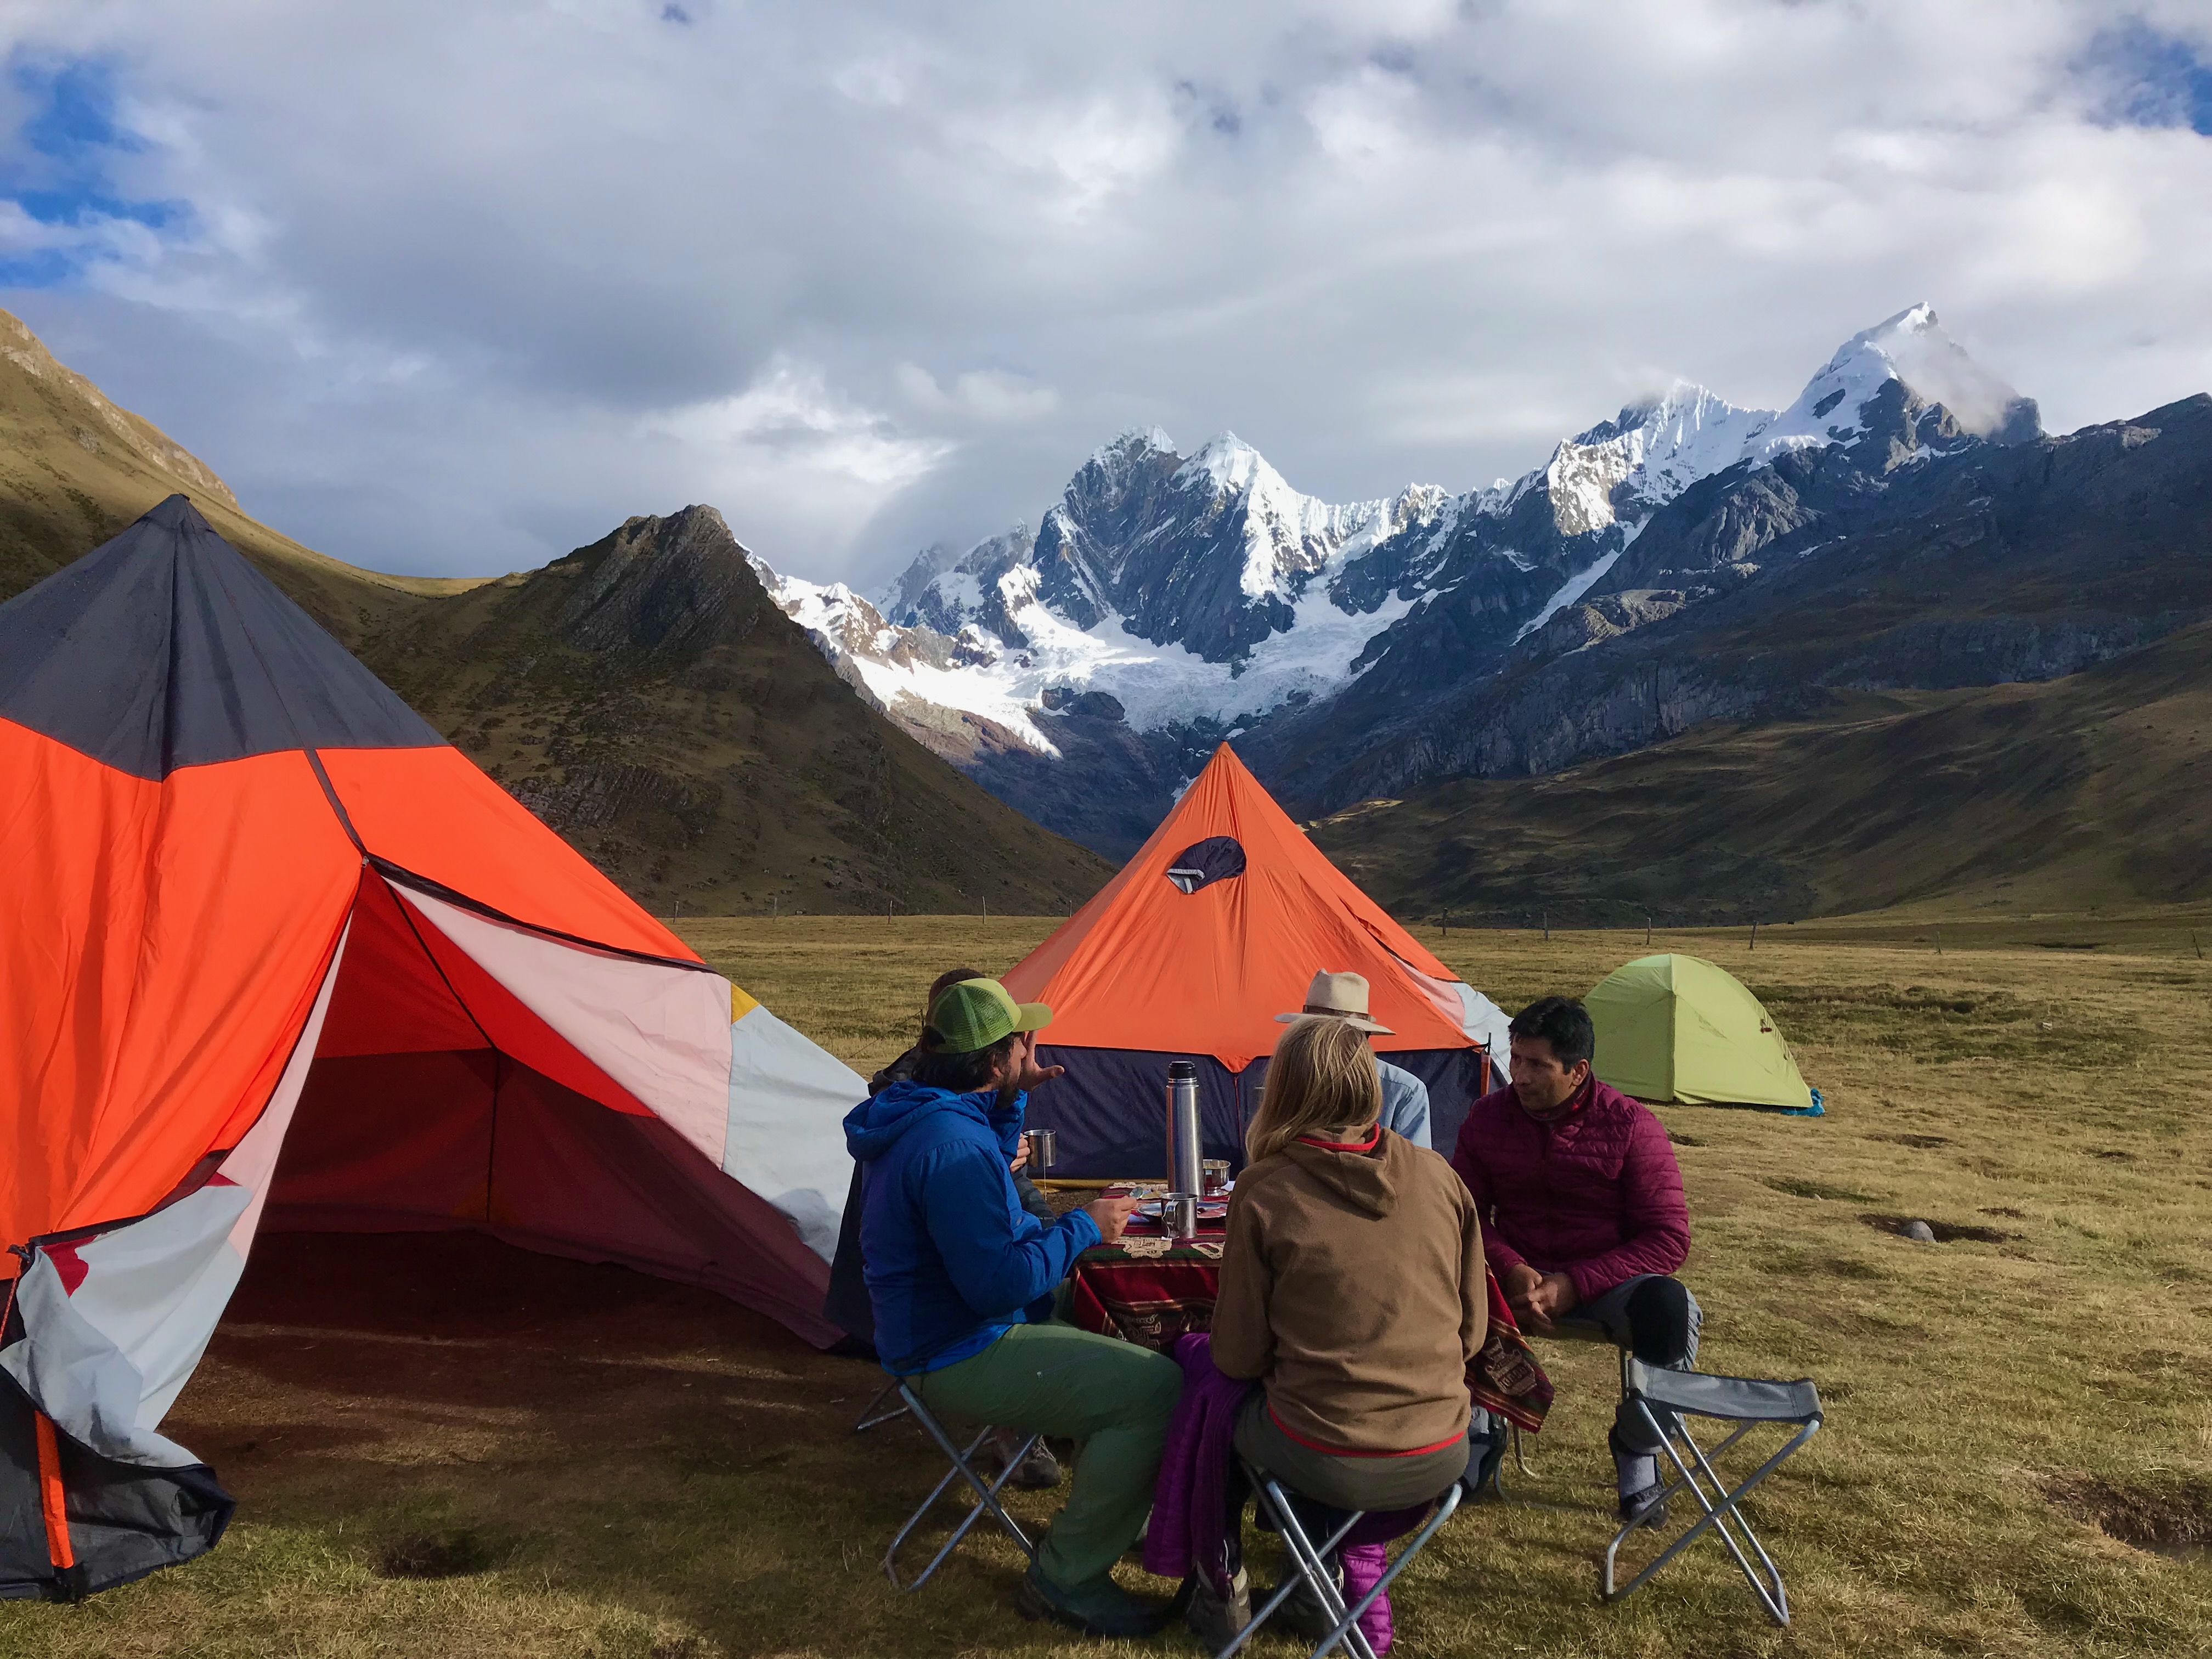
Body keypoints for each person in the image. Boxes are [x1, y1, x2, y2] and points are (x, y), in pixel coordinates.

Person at [844, 977, 1184, 1638]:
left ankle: (1127, 1502)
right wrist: (1084, 1227)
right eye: (1018, 1045)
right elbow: (997, 1282)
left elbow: (986, 1177)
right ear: (994, 1061)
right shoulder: (949, 1147)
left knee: (1118, 1311)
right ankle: (1067, 1579)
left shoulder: (930, 1113)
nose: (1031, 1050)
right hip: (955, 1345)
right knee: (1157, 1392)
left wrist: (1011, 1099)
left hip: (953, 1322)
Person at [1201, 1016, 1486, 1644]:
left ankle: (1220, 1577)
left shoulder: (1265, 1188)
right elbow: (1471, 1335)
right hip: (1442, 1452)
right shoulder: (1441, 1177)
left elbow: (1240, 1356)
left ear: (1283, 1090)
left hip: (1333, 1460)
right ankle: (1319, 1577)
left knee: (1204, 1394)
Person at [1448, 995, 1695, 1525]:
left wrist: (1576, 1284)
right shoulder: (1487, 1118)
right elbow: (1463, 1214)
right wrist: (1511, 1266)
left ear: (1578, 1071)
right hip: (1511, 1277)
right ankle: (1472, 1432)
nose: (1520, 1075)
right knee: (1439, 1283)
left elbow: (1668, 1237)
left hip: (1606, 1281)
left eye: (1537, 1064)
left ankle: (1640, 1450)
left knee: (1669, 1307)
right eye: (1515, 1058)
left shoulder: (1631, 1125)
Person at [1274, 970, 1432, 1148]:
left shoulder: (1405, 1090)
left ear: (1363, 1037)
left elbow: (1413, 1167)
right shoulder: (1289, 1076)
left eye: (1336, 1036)